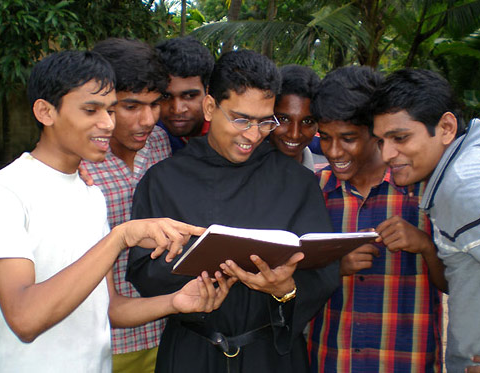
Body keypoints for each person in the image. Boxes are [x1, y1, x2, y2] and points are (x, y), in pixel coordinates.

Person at [0, 50, 234, 372]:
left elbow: (110, 307)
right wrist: (120, 237)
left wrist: (175, 302)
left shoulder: (89, 193)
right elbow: (25, 318)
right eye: (91, 110)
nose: (107, 123)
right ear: (45, 112)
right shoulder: (4, 192)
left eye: (109, 110)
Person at [126, 49, 340, 373]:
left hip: (272, 356)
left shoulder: (296, 183)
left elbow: (323, 271)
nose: (253, 135)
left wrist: (285, 289)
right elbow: (143, 268)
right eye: (241, 119)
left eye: (265, 121)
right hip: (192, 351)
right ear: (210, 107)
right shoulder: (164, 180)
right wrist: (198, 277)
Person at [307, 66, 446, 372]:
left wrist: (424, 245)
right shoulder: (315, 192)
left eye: (347, 138)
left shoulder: (422, 190)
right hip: (332, 360)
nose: (333, 151)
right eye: (325, 138)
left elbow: (451, 284)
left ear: (375, 132)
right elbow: (293, 279)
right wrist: (335, 268)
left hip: (407, 361)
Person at [371, 68, 480, 372]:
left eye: (400, 138)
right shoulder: (463, 170)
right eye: (381, 140)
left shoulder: (465, 187)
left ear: (447, 127)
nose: (386, 154)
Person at [80, 38, 171, 372]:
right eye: (131, 106)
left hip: (165, 328)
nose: (147, 119)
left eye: (154, 104)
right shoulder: (79, 164)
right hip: (101, 341)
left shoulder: (161, 144)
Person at [155, 36, 215, 154]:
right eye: (165, 97)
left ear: (208, 93)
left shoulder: (227, 134)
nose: (177, 110)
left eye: (190, 96)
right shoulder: (150, 133)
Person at [270, 64, 324, 170]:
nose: (294, 135)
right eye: (284, 119)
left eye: (307, 121)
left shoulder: (323, 181)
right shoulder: (241, 170)